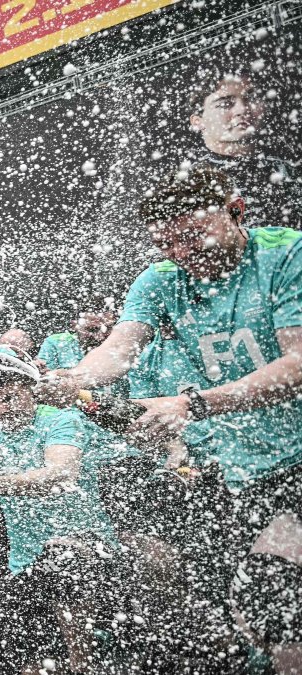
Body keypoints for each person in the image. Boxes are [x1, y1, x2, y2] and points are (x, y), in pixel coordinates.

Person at [37, 165, 302, 667]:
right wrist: (75, 378)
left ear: (236, 210)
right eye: (167, 244)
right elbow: (119, 348)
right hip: (241, 467)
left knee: (283, 589)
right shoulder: (160, 280)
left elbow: (299, 362)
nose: (183, 254)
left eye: (192, 235)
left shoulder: (286, 254)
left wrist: (192, 404)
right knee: (261, 606)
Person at [0, 366, 118, 675]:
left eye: (10, 399)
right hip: (25, 558)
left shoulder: (62, 419)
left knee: (62, 560)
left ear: (30, 392)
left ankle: (83, 666)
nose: (1, 410)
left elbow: (61, 473)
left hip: (88, 543)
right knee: (29, 655)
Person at [186, 67, 301, 228]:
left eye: (250, 98)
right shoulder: (188, 184)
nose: (242, 110)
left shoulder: (289, 171)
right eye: (225, 103)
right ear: (198, 121)